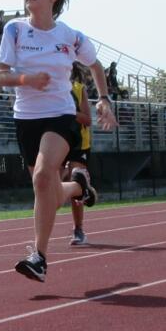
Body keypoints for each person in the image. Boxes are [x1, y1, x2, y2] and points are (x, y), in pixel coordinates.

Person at [0, 0, 116, 281]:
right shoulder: (14, 30)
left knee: (42, 176)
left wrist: (103, 99)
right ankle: (79, 187)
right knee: (45, 189)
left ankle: (39, 257)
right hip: (25, 118)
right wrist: (28, 79)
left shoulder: (69, 35)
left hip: (60, 115)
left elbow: (95, 66)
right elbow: (1, 76)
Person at [66, 62, 93, 246]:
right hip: (57, 140)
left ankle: (78, 229)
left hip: (79, 143)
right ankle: (85, 189)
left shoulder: (78, 88)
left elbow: (88, 119)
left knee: (75, 180)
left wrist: (69, 112)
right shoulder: (49, 88)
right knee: (50, 184)